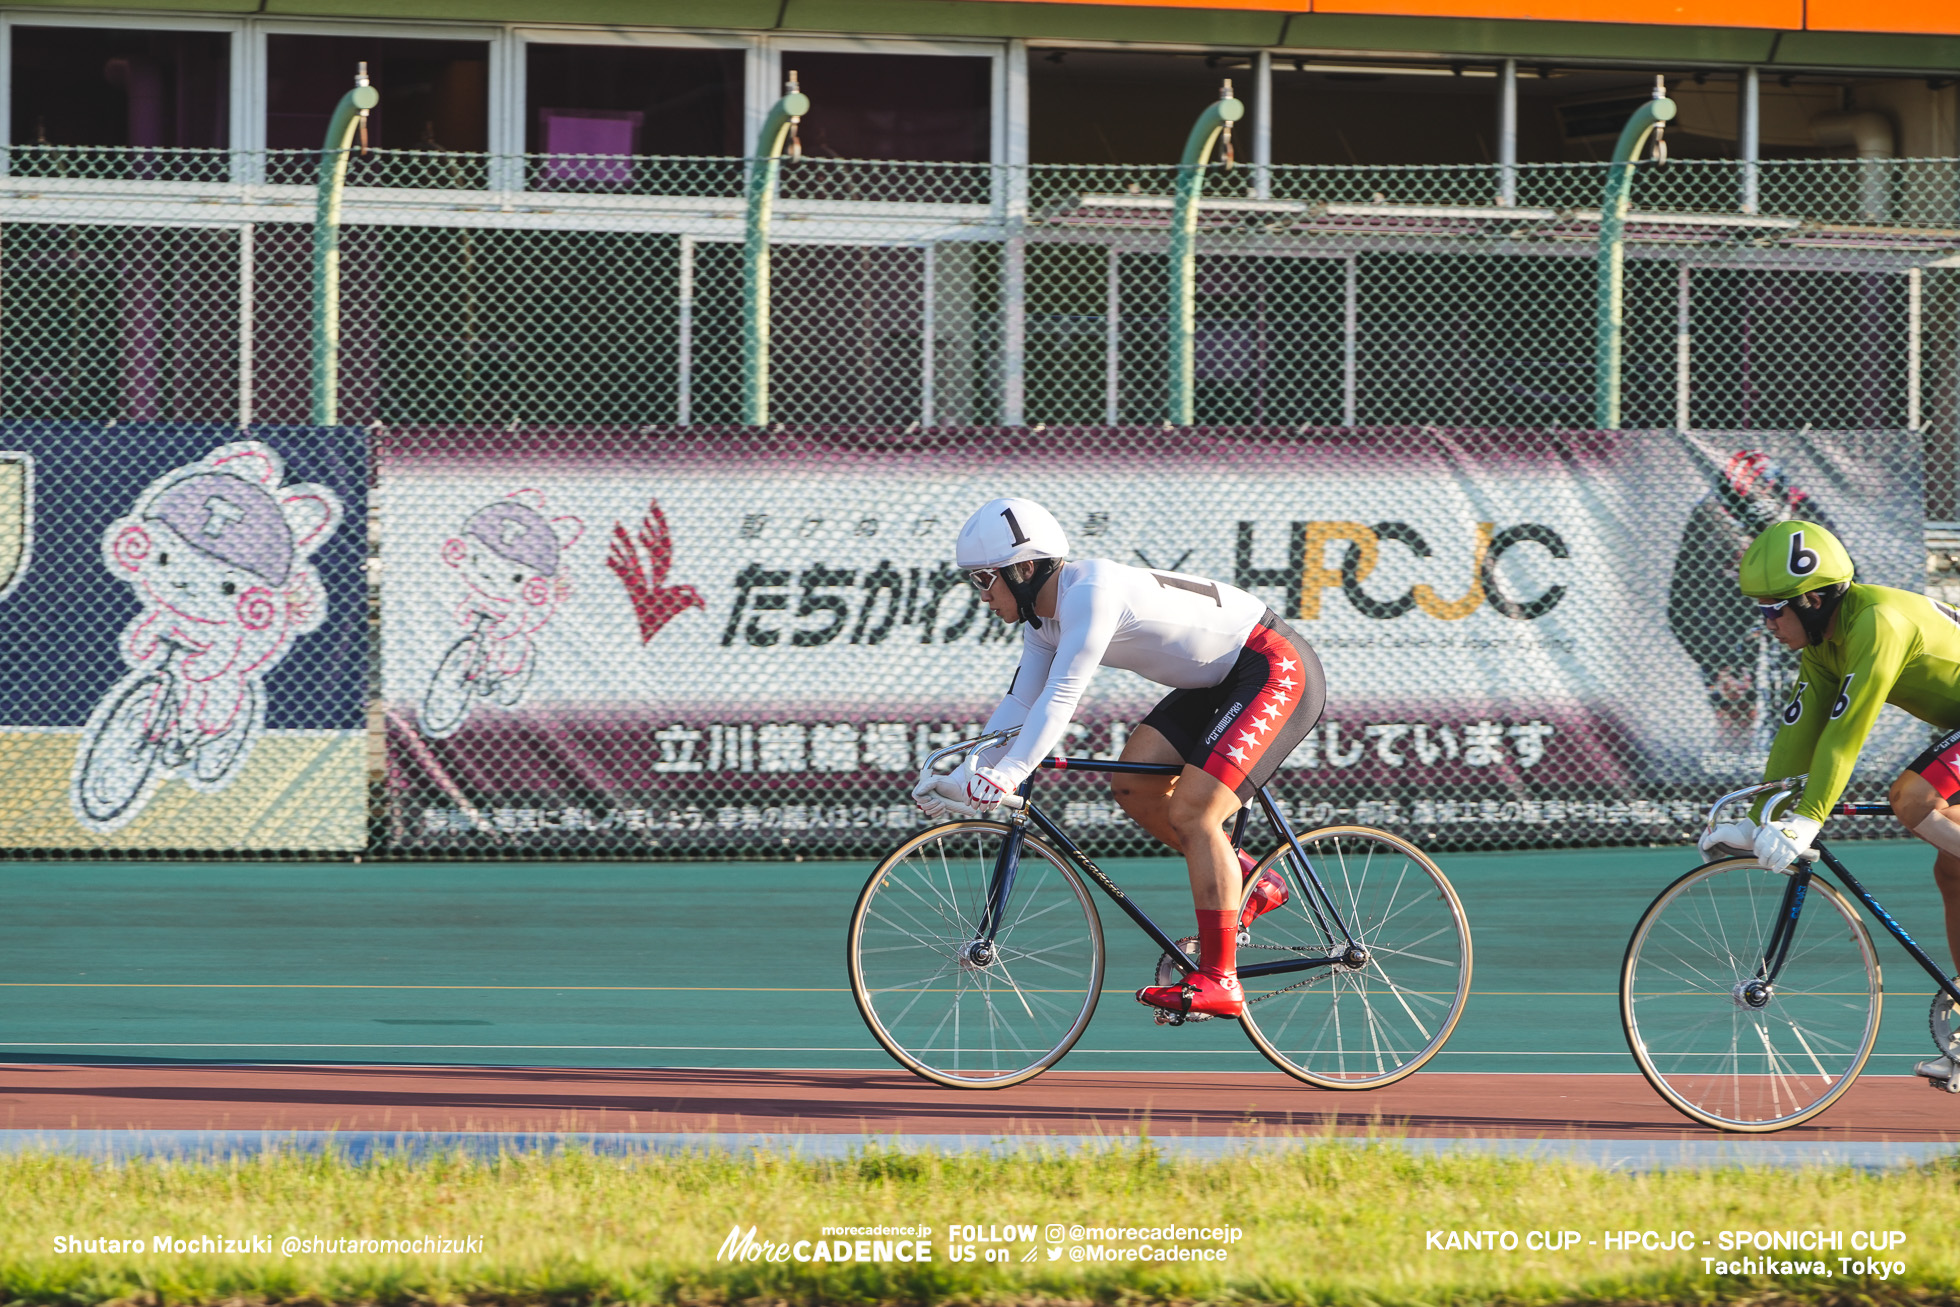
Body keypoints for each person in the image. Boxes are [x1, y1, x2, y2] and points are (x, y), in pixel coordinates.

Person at [912, 497, 1326, 1021]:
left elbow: (1060, 698)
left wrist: (1008, 772)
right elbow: (1020, 705)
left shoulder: (1090, 594)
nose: (981, 596)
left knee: (1196, 812)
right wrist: (964, 770)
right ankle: (1248, 877)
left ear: (1020, 569)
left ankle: (1221, 980)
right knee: (1133, 784)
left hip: (1270, 666)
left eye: (982, 580)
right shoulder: (1043, 621)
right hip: (1219, 679)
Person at [1702, 519, 1960, 1083]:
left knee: (1911, 799)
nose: (1766, 622)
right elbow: (1800, 734)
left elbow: (1847, 733)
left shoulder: (1877, 623)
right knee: (1954, 870)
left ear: (1814, 600)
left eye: (1774, 609)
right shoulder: (1823, 644)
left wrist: (1807, 818)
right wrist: (1757, 818)